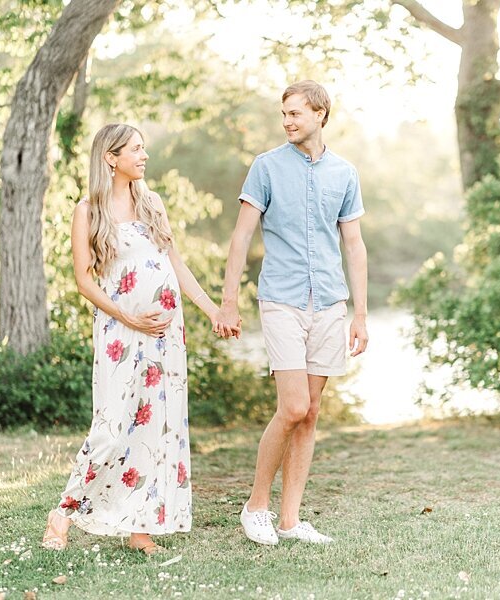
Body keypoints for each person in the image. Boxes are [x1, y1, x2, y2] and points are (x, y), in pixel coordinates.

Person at [41, 123, 233, 555]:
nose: (145, 156)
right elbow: (84, 281)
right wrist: (128, 316)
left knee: (156, 427)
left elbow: (176, 266)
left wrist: (213, 310)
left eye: (144, 149)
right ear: (111, 157)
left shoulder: (153, 204)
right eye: (136, 149)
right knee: (112, 427)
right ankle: (62, 513)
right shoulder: (87, 210)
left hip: (165, 335)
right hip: (120, 333)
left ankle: (140, 530)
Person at [215, 80, 369, 545]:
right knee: (294, 405)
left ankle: (290, 519)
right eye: (284, 113)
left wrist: (359, 314)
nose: (287, 121)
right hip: (280, 299)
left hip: (328, 300)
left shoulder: (344, 172)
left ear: (320, 114)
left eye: (296, 113)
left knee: (313, 411)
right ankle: (255, 506)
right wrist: (228, 300)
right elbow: (241, 236)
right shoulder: (265, 167)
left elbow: (354, 244)